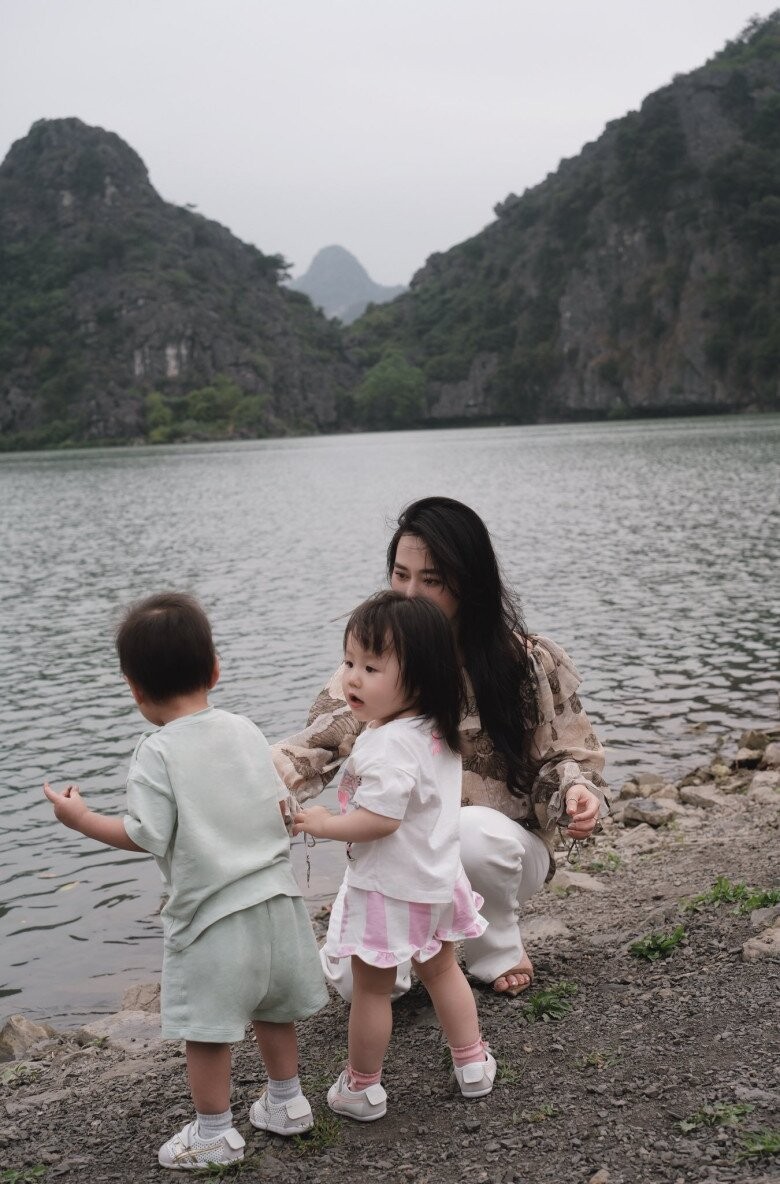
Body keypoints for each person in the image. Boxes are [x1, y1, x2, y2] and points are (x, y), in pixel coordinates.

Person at [274, 496, 609, 1000]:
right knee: (357, 985)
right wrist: (243, 785)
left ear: (468, 582)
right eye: (400, 574)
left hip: (499, 851)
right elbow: (310, 750)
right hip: (400, 860)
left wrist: (576, 792)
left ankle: (497, 949)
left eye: (431, 579)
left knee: (469, 833)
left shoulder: (525, 661)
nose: (411, 593)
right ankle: (426, 954)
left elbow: (570, 755)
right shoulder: (371, 668)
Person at [44, 592, 327, 1170]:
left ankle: (214, 1134)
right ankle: (288, 1102)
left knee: (208, 1030)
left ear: (134, 688)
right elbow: (282, 806)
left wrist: (82, 819)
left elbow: (146, 833)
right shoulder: (244, 729)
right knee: (274, 1009)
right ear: (214, 670)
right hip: (277, 902)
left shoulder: (157, 752)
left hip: (212, 917)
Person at [293, 591, 495, 1122]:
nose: (352, 679)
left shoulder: (386, 744)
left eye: (371, 668)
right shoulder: (433, 729)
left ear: (421, 677)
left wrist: (323, 824)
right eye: (349, 663)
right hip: (435, 877)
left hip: (388, 889)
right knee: (443, 970)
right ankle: (472, 1064)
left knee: (371, 991)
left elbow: (380, 820)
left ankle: (361, 1088)